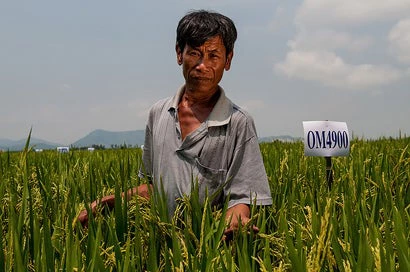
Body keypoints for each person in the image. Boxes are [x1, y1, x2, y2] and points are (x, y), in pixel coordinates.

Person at [78, 10, 272, 237]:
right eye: (195, 53)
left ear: (228, 60)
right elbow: (153, 187)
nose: (202, 65)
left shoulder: (239, 123)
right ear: (179, 54)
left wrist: (235, 221)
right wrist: (111, 201)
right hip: (161, 248)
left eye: (213, 56)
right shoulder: (158, 114)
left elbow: (243, 197)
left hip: (208, 252)